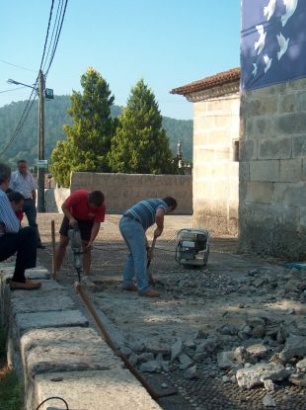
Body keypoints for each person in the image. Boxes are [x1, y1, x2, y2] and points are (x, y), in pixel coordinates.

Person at [119, 196, 177, 297]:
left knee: (133, 255)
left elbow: (141, 232)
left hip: (125, 222)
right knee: (140, 257)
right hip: (132, 223)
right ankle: (143, 288)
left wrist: (147, 248)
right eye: (169, 211)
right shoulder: (161, 204)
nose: (166, 213)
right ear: (170, 207)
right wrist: (160, 227)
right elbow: (159, 215)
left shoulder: (152, 204)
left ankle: (127, 283)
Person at [0, 162, 41, 290]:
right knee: (29, 232)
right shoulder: (1, 195)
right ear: (7, 180)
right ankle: (19, 278)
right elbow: (14, 228)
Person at [54, 189, 106, 279]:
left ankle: (86, 275)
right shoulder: (79, 195)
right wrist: (70, 218)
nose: (93, 210)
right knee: (63, 243)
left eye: (95, 208)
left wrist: (91, 241)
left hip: (87, 222)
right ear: (88, 200)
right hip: (71, 216)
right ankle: (55, 271)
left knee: (86, 247)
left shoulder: (101, 207)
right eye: (92, 207)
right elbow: (64, 207)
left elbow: (96, 224)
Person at [9, 159, 46, 249]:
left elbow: (33, 190)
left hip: (29, 201)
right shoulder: (14, 176)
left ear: (27, 166)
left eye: (24, 166)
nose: (23, 168)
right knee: (16, 222)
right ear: (18, 167)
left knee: (33, 223)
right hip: (17, 202)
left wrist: (33, 202)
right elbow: (10, 191)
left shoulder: (30, 176)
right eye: (21, 166)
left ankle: (37, 242)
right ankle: (17, 243)